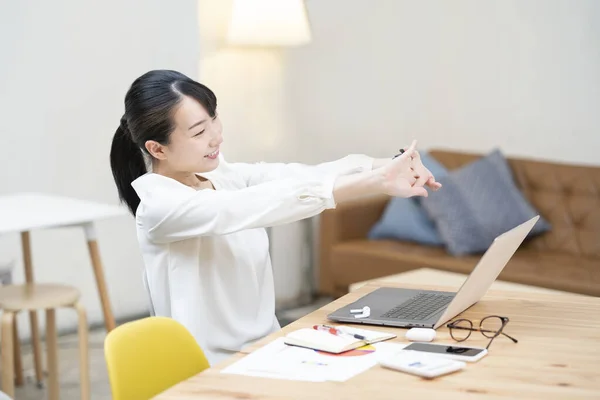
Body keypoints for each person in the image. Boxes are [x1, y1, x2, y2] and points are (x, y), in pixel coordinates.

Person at [109, 69, 441, 366]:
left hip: (266, 351)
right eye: (199, 132)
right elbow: (258, 204)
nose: (216, 136)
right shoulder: (161, 208)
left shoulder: (223, 177)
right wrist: (373, 184)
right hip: (208, 369)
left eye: (214, 118)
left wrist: (383, 165)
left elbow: (294, 177)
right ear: (158, 149)